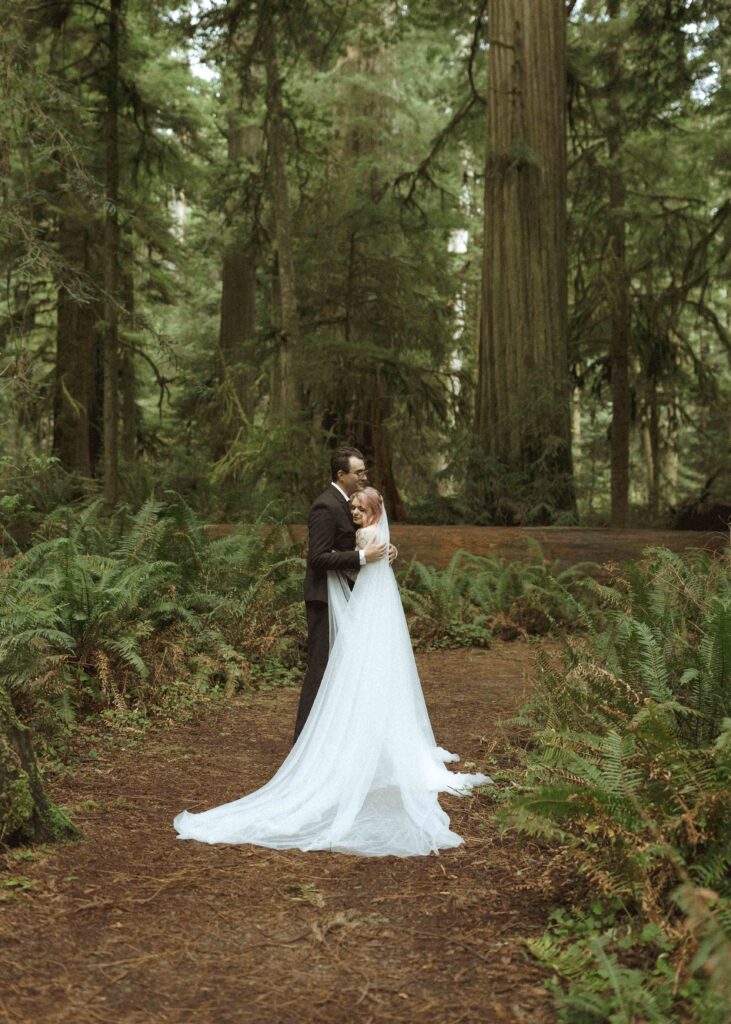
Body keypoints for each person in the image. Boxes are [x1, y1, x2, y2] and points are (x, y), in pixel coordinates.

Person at [173, 485, 493, 857]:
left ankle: (366, 748)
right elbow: (332, 560)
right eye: (353, 505)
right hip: (369, 608)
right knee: (351, 675)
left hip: (371, 611)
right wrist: (366, 557)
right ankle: (358, 746)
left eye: (359, 508)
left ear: (371, 510)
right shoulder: (334, 513)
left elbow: (365, 565)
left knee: (357, 677)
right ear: (343, 476)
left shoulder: (367, 533)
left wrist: (374, 555)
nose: (354, 511)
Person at [293, 446, 385, 744]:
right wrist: (360, 557)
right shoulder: (326, 506)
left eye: (364, 472)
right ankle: (304, 742)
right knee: (320, 667)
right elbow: (317, 558)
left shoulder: (348, 503)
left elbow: (356, 539)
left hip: (345, 597)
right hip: (323, 599)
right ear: (341, 474)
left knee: (344, 669)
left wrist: (382, 552)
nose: (364, 476)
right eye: (358, 472)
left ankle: (333, 736)